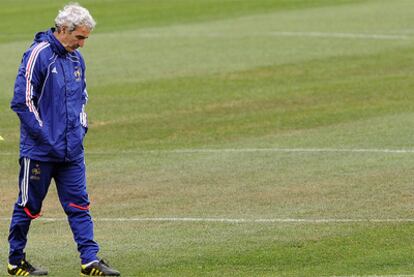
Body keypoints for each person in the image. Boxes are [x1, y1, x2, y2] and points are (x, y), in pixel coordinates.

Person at [8, 3, 120, 276]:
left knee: (79, 204)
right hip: (40, 153)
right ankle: (15, 260)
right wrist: (47, 138)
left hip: (72, 151)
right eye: (79, 37)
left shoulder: (75, 60)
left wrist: (81, 129)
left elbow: (82, 99)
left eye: (85, 38)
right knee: (28, 206)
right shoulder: (38, 55)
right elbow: (22, 102)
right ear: (62, 30)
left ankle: (89, 260)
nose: (82, 44)